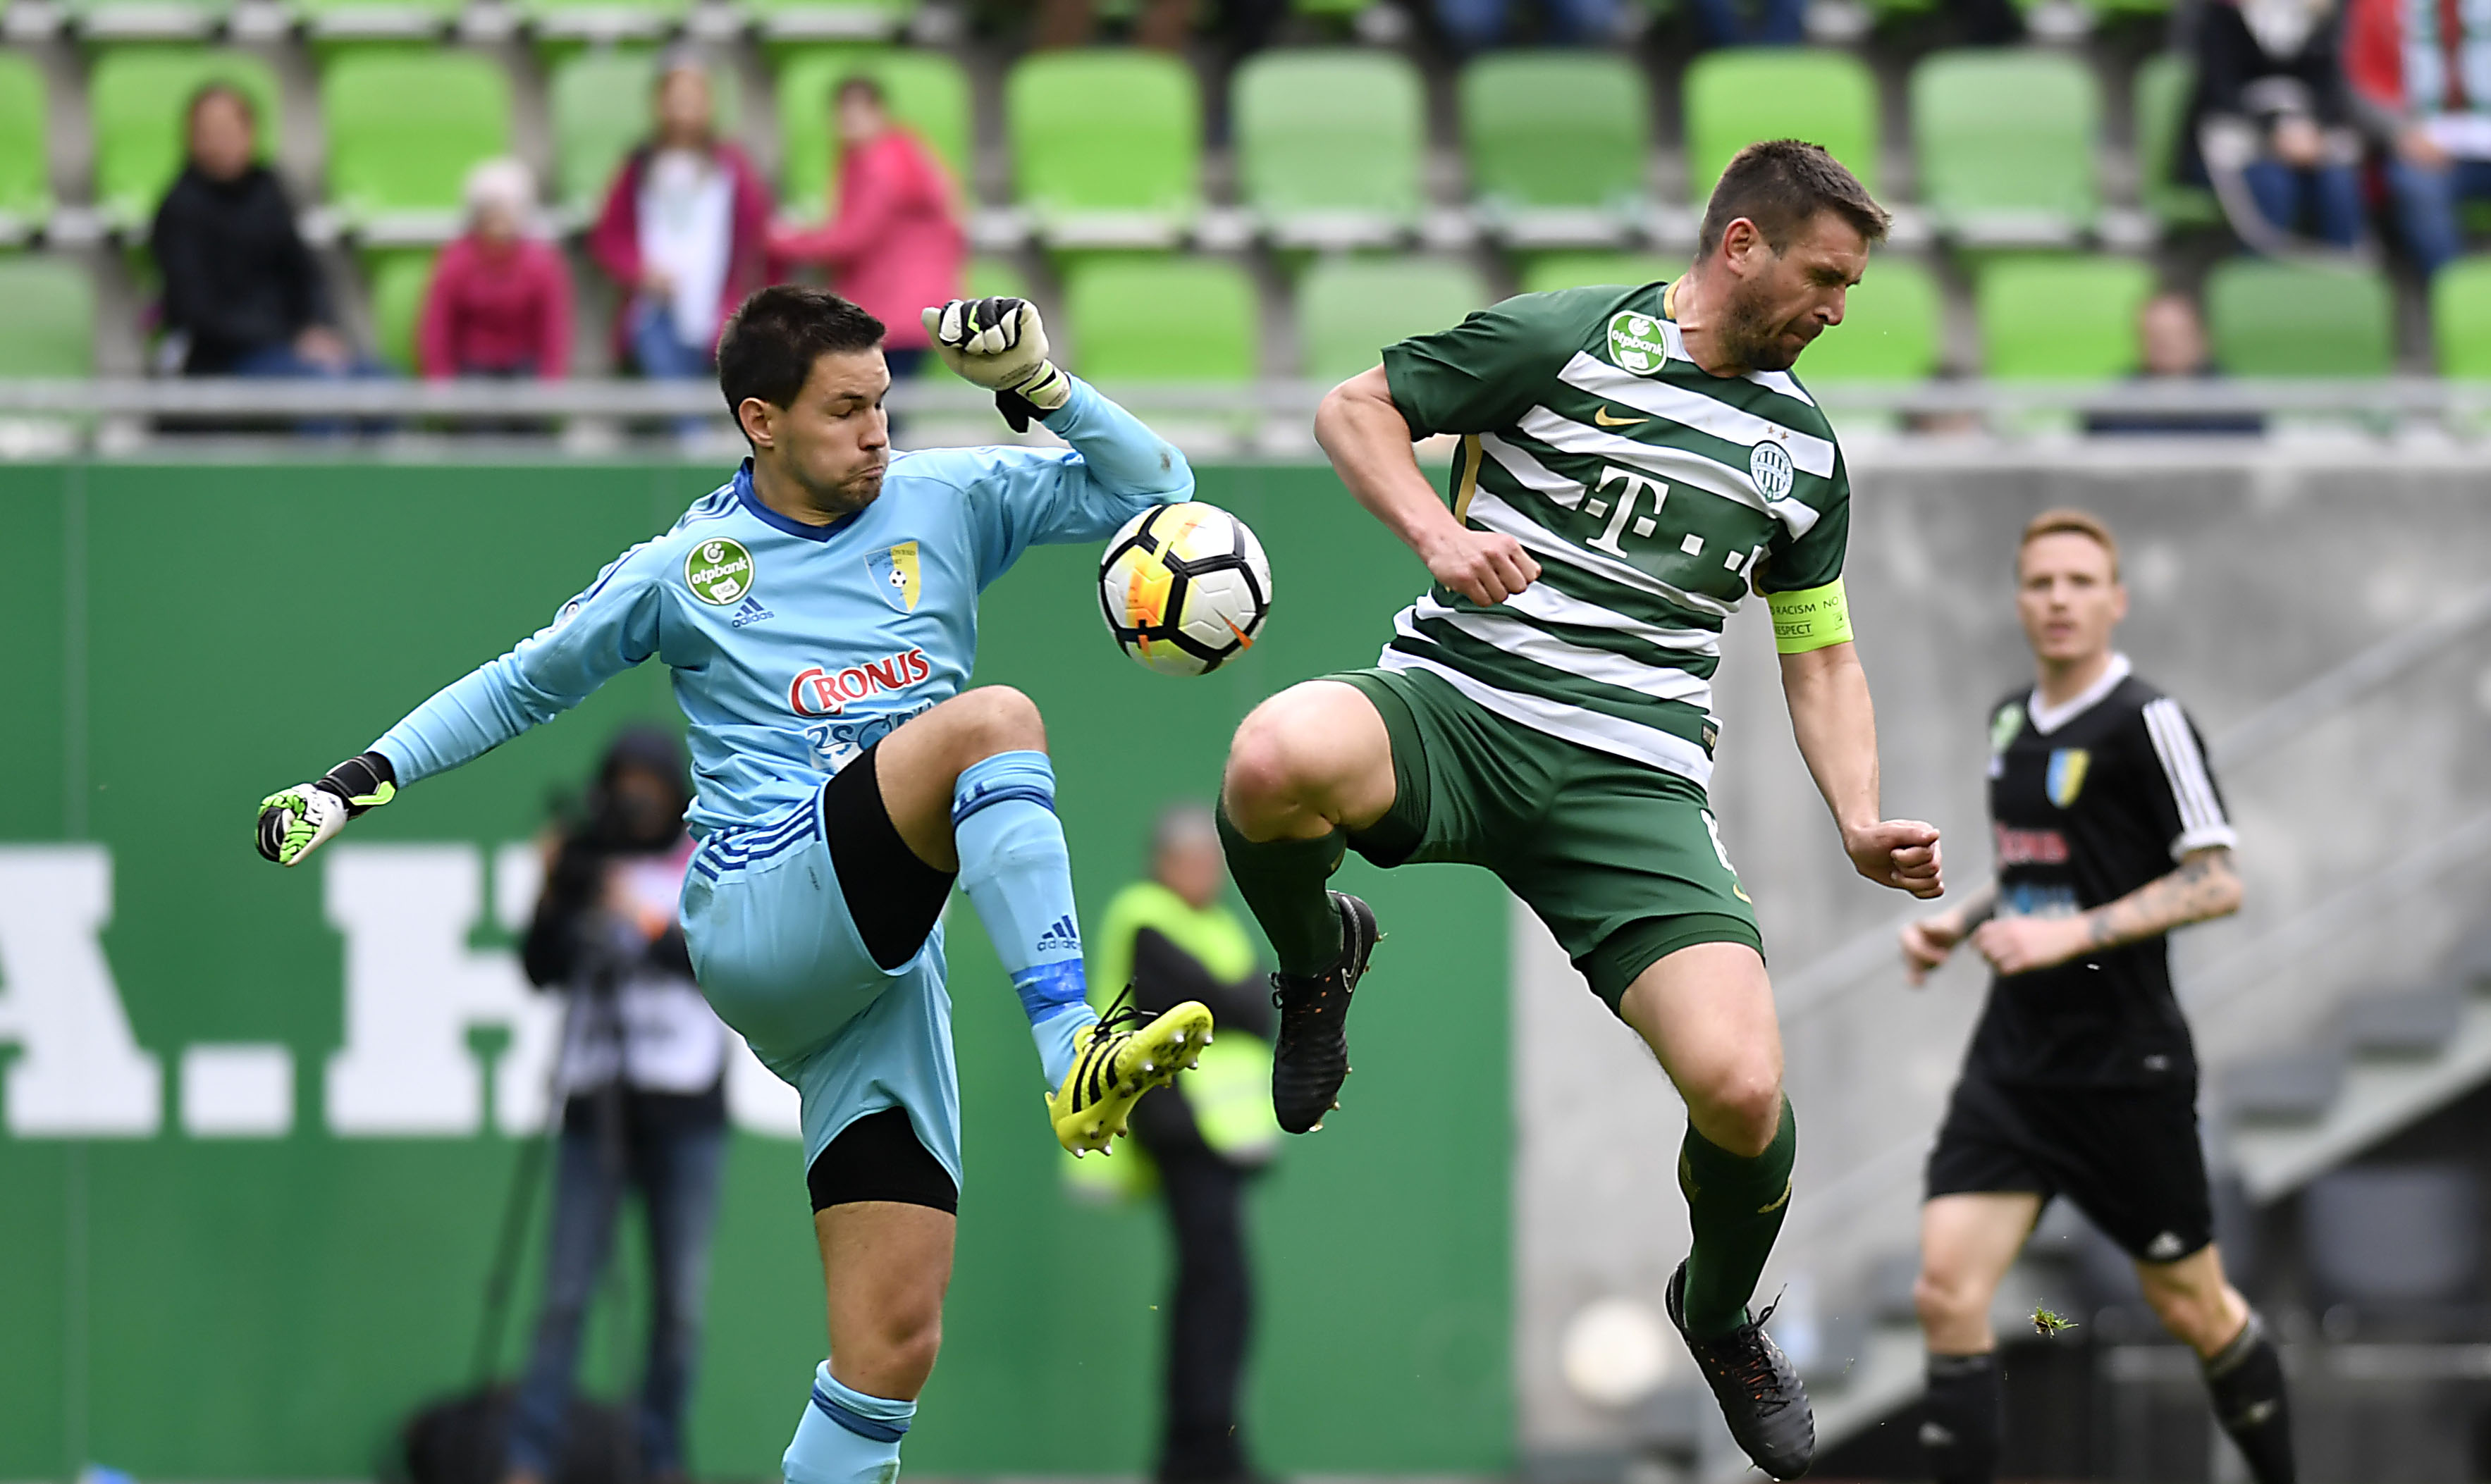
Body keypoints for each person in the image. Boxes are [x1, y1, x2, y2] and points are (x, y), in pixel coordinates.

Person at [253, 287, 1218, 1484]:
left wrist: (1041, 386)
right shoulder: (688, 567)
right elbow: (521, 682)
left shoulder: (947, 498)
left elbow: (1158, 489)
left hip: (876, 978)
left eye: (883, 403)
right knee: (995, 722)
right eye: (846, 409)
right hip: (762, 909)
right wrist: (362, 778)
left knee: (889, 1351)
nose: (877, 431)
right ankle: (1071, 1039)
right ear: (759, 420)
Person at [1214, 139, 1945, 1482]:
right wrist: (1437, 539)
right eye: (1823, 277)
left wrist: (1854, 815)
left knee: (1737, 1089)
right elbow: (1351, 409)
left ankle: (1716, 1314)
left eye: (1848, 287)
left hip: (1628, 782)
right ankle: (1316, 964)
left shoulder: (1800, 453)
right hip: (1453, 710)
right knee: (1269, 758)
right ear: (1739, 246)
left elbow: (1818, 650)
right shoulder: (1564, 337)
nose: (1836, 310)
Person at [1898, 509, 2293, 1484]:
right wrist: (1960, 920)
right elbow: (2051, 873)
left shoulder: (2147, 720)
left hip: (2124, 1062)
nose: (2059, 599)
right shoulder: (2005, 718)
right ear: (2018, 601)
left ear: (2114, 599)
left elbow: (2214, 880)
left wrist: (2064, 936)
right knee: (1946, 1289)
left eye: (2079, 581)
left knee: (2193, 1309)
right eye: (2040, 583)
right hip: (2016, 1057)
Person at [508, 726, 727, 1484]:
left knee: (679, 1310)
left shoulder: (704, 856)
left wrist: (635, 912)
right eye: (623, 781)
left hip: (687, 1112)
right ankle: (528, 1457)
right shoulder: (585, 863)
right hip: (592, 1101)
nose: (636, 797)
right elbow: (541, 968)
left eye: (651, 782)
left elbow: (712, 961)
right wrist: (552, 889)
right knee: (564, 1295)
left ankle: (660, 1458)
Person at [1093, 805, 1279, 1484]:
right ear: (1166, 862)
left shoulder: (1217, 927)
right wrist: (1230, 1000)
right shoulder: (1147, 915)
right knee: (1212, 1289)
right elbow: (1199, 1006)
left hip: (1224, 1140)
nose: (1206, 874)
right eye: (1195, 860)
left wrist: (1228, 1001)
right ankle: (1195, 1455)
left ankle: (1210, 1449)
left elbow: (1252, 1010)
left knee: (1223, 1290)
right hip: (1181, 1131)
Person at [152, 83, 368, 378]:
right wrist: (290, 338)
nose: (220, 143)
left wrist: (321, 327)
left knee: (379, 383)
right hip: (225, 355)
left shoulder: (270, 190)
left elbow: (305, 273)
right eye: (209, 133)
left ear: (250, 133)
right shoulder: (179, 209)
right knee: (320, 387)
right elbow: (197, 312)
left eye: (229, 131)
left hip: (291, 344)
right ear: (191, 140)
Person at [770, 77, 964, 381]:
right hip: (918, 304)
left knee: (881, 404)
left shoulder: (878, 163)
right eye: (842, 115)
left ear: (879, 112)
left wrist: (785, 241)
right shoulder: (906, 152)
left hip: (891, 305)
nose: (847, 123)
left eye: (855, 113)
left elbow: (853, 237)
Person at [589, 56, 772, 378]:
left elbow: (757, 232)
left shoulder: (732, 165)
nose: (683, 108)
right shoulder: (640, 164)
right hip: (655, 305)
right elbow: (609, 236)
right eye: (675, 98)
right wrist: (640, 271)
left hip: (716, 307)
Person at [2185, 0, 2364, 252]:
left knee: (2339, 183)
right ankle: (2260, 280)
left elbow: (2330, 90)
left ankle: (2344, 277)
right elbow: (2220, 91)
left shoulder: (2321, 23)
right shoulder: (2219, 18)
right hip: (2233, 148)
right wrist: (2274, 131)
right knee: (2272, 184)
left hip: (2306, 143)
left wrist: (2312, 131)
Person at [2347, 0, 2491, 275]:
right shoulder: (2377, 7)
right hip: (2422, 143)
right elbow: (2359, 84)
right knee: (2418, 187)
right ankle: (2454, 299)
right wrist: (2402, 132)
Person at [418, 159, 574, 381]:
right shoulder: (456, 259)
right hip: (473, 366)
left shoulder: (542, 263)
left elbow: (553, 327)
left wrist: (551, 381)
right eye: (490, 212)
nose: (498, 223)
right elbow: (437, 324)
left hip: (524, 366)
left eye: (505, 212)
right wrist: (440, 380)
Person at [2083, 292, 2265, 437]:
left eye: (2176, 335)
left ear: (2203, 338)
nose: (2165, 345)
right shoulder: (2115, 404)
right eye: (2154, 336)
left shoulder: (2235, 405)